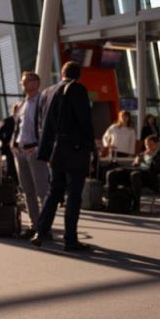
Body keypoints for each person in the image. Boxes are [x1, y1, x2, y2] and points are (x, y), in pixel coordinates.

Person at [31, 61, 95, 253]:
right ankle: (70, 240)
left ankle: (40, 232)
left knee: (53, 191)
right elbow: (85, 121)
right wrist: (90, 149)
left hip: (54, 150)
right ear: (78, 75)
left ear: (62, 73)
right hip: (74, 150)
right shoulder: (78, 89)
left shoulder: (47, 92)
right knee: (74, 194)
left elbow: (39, 122)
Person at [11, 71, 48, 237]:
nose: (24, 84)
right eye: (23, 82)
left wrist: (40, 147)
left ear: (37, 83)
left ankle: (45, 227)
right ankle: (34, 225)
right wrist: (13, 144)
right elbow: (17, 126)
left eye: (27, 81)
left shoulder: (42, 102)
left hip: (34, 150)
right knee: (28, 191)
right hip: (21, 151)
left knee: (41, 190)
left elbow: (48, 126)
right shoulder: (22, 104)